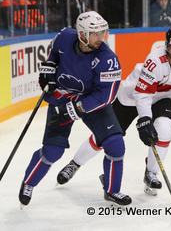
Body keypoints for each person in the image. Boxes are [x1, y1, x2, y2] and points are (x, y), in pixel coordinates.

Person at [57, 26, 171, 196]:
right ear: (167, 45)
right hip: (132, 97)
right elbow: (143, 95)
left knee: (165, 130)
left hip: (161, 99)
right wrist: (145, 120)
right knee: (104, 136)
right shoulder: (155, 61)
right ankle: (75, 163)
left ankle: (151, 173)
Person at [18, 11, 132, 208]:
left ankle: (112, 190)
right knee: (52, 152)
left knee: (115, 144)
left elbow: (105, 96)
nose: (101, 38)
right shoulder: (64, 37)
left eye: (102, 33)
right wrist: (50, 67)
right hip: (61, 96)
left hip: (91, 101)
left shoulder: (107, 59)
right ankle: (28, 183)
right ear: (81, 35)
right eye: (95, 34)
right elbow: (54, 52)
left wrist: (74, 109)